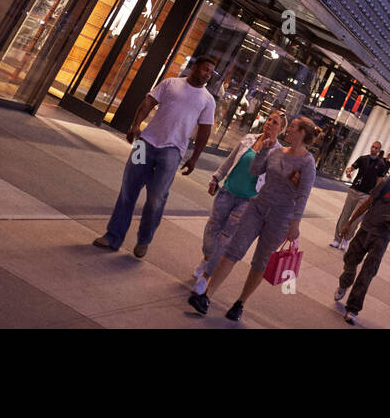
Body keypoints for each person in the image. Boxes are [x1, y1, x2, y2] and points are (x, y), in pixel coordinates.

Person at [188, 116, 318, 320]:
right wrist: (264, 150)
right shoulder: (276, 151)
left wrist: (295, 223)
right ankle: (206, 296)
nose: (289, 129)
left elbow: (303, 195)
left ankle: (240, 303)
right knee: (233, 249)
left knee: (260, 261)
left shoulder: (307, 163)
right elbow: (255, 170)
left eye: (292, 127)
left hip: (281, 218)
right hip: (257, 207)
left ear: (302, 133)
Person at [92, 57, 218, 257]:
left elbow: (204, 131)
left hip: (172, 151)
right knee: (128, 191)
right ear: (194, 68)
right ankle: (113, 237)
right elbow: (148, 103)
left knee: (156, 198)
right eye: (205, 70)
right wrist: (135, 125)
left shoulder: (207, 100)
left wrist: (194, 158)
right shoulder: (171, 83)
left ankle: (144, 240)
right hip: (146, 143)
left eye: (210, 73)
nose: (207, 75)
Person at [191, 109, 287, 292]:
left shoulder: (278, 153)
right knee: (212, 228)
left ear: (281, 130)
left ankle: (206, 276)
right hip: (227, 191)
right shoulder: (250, 138)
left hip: (248, 201)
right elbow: (230, 160)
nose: (269, 123)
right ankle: (206, 258)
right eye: (269, 119)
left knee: (226, 238)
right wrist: (216, 177)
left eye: (275, 123)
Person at [333, 159, 390, 324]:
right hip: (366, 229)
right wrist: (350, 222)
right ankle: (344, 283)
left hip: (382, 236)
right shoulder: (386, 184)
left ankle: (352, 309)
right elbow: (367, 204)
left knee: (367, 273)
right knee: (350, 260)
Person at [330, 140, 388, 250]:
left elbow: (379, 181)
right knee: (345, 215)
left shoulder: (381, 164)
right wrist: (348, 172)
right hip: (354, 190)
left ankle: (346, 239)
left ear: (379, 150)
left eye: (376, 148)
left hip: (366, 195)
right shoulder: (363, 159)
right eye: (372, 147)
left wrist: (373, 194)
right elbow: (351, 168)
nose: (373, 149)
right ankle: (337, 239)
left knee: (356, 219)